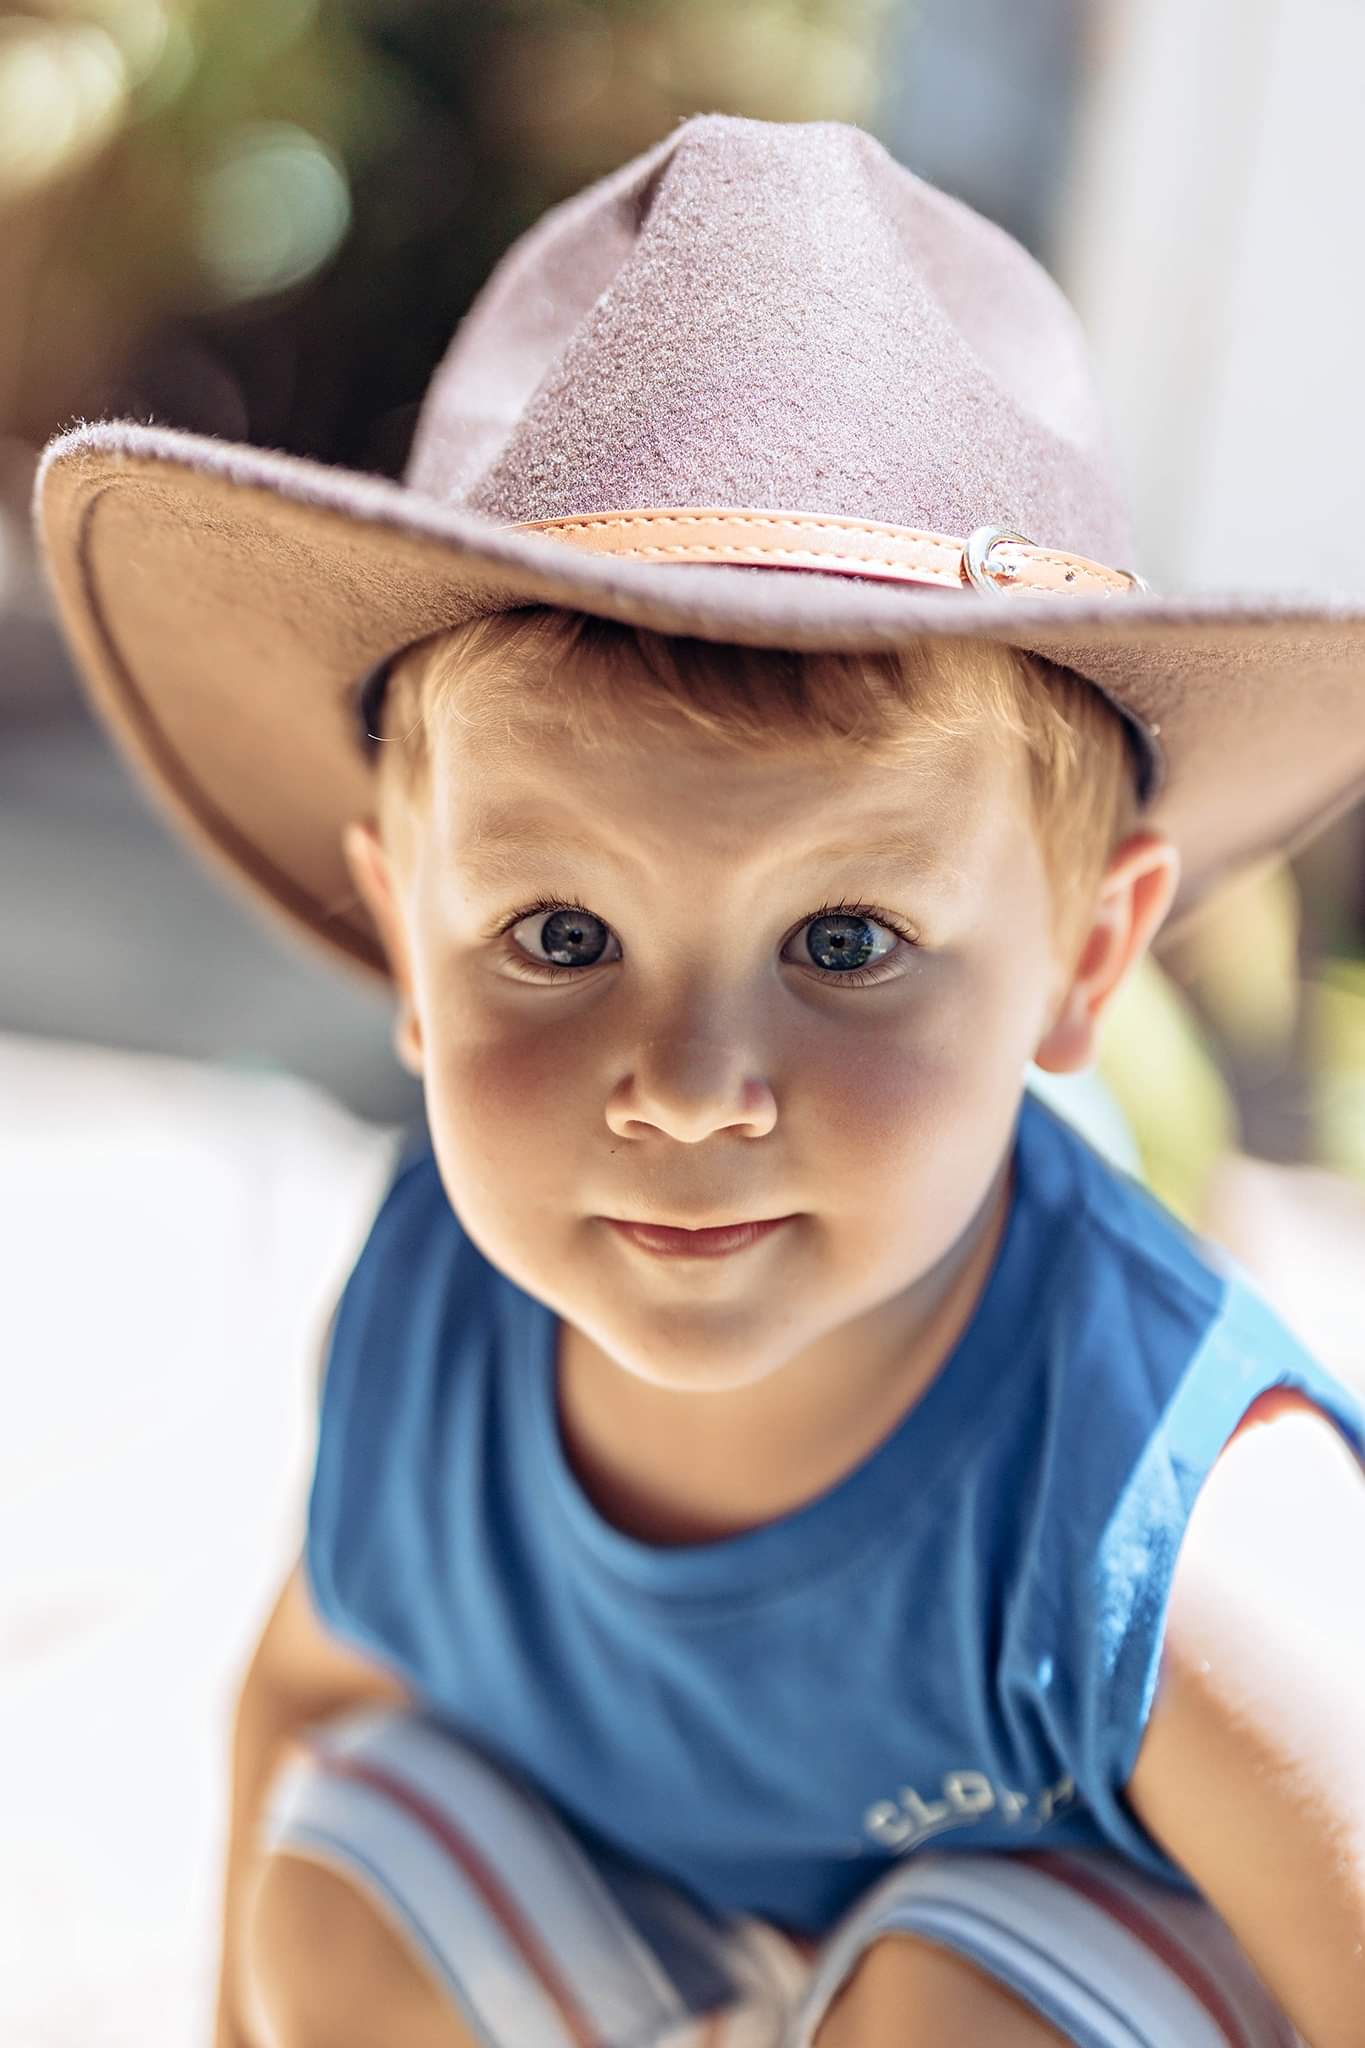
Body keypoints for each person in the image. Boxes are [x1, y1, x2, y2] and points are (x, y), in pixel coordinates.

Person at [34, 115, 1365, 2048]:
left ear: (1082, 958)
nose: (684, 1086)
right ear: (409, 934)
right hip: (657, 1952)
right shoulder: (433, 1327)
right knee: (335, 1878)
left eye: (845, 944)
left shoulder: (1172, 1525)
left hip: (1035, 1986)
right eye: (559, 936)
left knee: (956, 2008)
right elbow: (307, 1694)